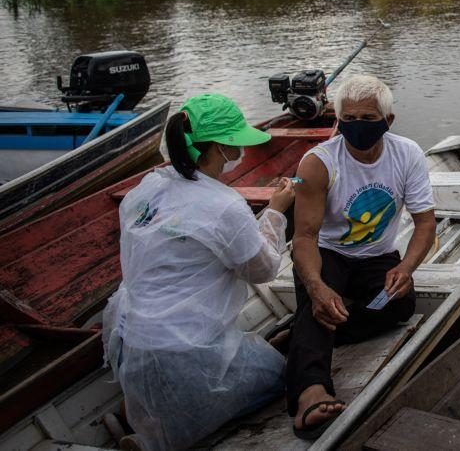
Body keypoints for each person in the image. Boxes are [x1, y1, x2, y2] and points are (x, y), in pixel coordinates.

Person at [102, 94, 295, 451]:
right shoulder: (224, 205)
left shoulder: (143, 190)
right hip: (184, 349)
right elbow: (264, 269)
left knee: (167, 398)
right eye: (233, 145)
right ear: (220, 148)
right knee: (280, 380)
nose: (238, 153)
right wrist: (275, 211)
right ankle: (157, 441)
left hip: (130, 342)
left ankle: (143, 421)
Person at [285, 75, 436, 439]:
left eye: (369, 119)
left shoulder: (407, 154)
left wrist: (406, 268)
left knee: (400, 306)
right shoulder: (316, 163)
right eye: (349, 118)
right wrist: (317, 286)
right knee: (319, 306)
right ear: (338, 120)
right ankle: (310, 394)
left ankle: (295, 339)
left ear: (389, 121)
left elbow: (425, 223)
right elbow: (304, 237)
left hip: (377, 256)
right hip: (329, 253)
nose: (358, 127)